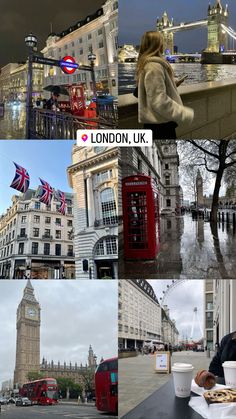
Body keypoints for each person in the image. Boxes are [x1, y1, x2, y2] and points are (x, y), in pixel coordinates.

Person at [136, 31, 194, 139]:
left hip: (157, 123)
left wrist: (172, 84)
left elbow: (142, 91)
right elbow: (158, 100)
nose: (164, 44)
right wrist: (184, 113)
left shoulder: (148, 64)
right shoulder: (154, 66)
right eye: (161, 41)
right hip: (161, 125)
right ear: (156, 44)